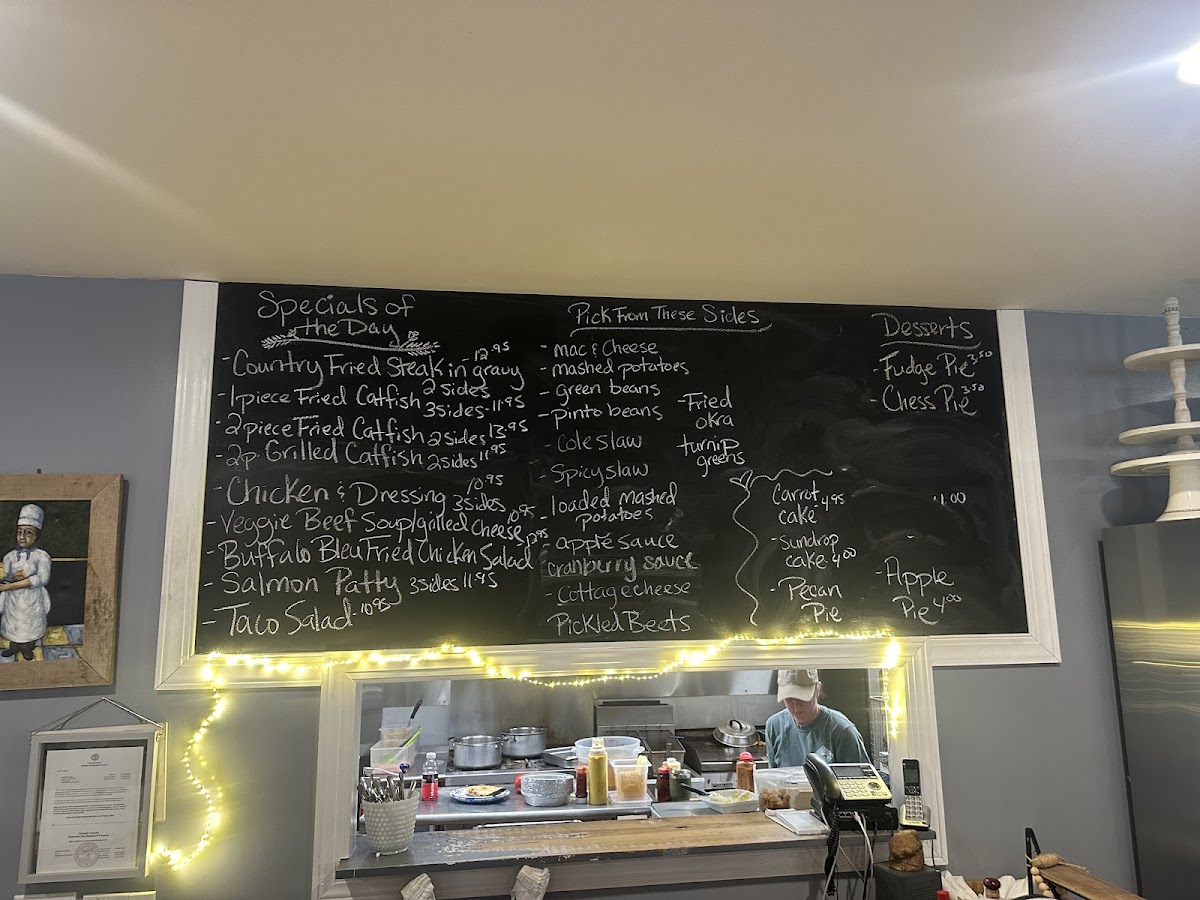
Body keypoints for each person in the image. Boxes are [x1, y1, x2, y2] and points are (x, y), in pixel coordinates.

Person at [765, 668, 869, 767]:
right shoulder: (774, 726)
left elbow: (861, 777)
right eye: (789, 698)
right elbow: (773, 776)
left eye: (802, 697)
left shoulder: (842, 731)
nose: (796, 704)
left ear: (817, 689)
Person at [0, 504, 52, 661]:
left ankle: (27, 648)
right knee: (13, 625)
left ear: (36, 536)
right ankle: (14, 646)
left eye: (28, 532)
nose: (22, 537)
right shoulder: (9, 556)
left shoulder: (42, 557)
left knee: (29, 625)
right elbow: (6, 575)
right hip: (13, 600)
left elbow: (41, 578)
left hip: (32, 600)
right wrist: (11, 577)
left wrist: (10, 586)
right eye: (19, 532)